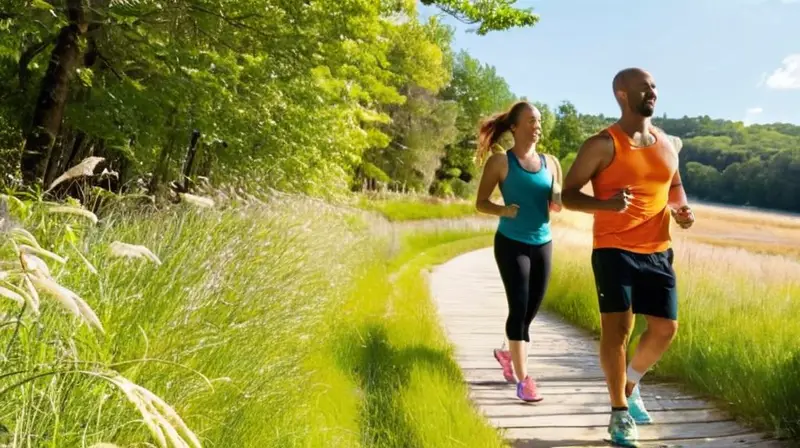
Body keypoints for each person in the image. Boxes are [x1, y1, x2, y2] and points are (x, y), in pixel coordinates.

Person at [561, 68, 694, 447]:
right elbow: (568, 194)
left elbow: (675, 186)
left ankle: (630, 384)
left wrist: (682, 212)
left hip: (657, 251)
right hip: (613, 248)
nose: (652, 92)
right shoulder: (602, 144)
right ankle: (619, 412)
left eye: (653, 86)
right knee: (618, 331)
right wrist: (605, 204)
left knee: (665, 328)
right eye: (643, 87)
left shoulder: (668, 143)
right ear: (622, 94)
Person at [474, 101, 563, 403]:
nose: (537, 126)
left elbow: (556, 200)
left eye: (538, 121)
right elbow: (481, 202)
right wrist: (504, 210)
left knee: (531, 310)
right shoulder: (501, 162)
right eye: (530, 121)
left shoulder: (550, 162)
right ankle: (524, 380)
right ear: (514, 127)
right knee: (519, 305)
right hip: (511, 241)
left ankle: (506, 351)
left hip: (543, 241)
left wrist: (556, 202)